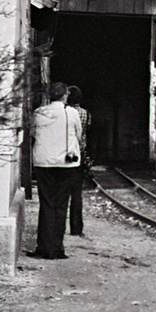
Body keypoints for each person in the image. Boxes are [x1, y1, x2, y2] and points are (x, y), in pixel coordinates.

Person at [28, 82, 82, 259]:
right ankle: (57, 248)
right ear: (65, 96)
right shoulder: (72, 113)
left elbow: (33, 134)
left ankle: (44, 248)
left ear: (48, 96)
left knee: (46, 204)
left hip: (44, 163)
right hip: (66, 164)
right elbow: (78, 135)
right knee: (61, 206)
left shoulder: (38, 113)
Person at [65, 86, 90, 237]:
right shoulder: (85, 114)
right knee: (76, 193)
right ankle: (76, 228)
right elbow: (85, 131)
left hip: (63, 153)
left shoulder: (65, 113)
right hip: (78, 153)